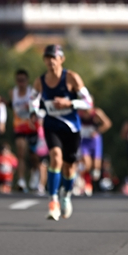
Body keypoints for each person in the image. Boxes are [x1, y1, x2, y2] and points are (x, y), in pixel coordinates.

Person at [34, 44, 92, 220]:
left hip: (71, 127)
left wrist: (70, 103)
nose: (50, 61)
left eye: (54, 57)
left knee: (69, 166)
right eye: (47, 58)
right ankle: (53, 201)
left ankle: (66, 194)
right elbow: (33, 101)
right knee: (55, 157)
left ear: (61, 59)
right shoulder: (40, 81)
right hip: (51, 124)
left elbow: (88, 102)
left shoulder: (72, 78)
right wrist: (33, 112)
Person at [10, 69, 40, 192]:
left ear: (27, 81)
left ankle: (35, 173)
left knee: (33, 155)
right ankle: (21, 180)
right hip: (19, 126)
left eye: (23, 80)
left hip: (32, 127)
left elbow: (38, 108)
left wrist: (33, 113)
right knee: (20, 151)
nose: (21, 82)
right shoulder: (13, 92)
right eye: (18, 80)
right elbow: (12, 106)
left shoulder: (31, 93)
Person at [79, 107, 112, 195]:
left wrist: (97, 131)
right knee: (86, 164)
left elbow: (107, 123)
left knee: (95, 168)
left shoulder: (96, 113)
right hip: (84, 141)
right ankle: (86, 184)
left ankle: (93, 184)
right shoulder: (80, 113)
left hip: (95, 141)